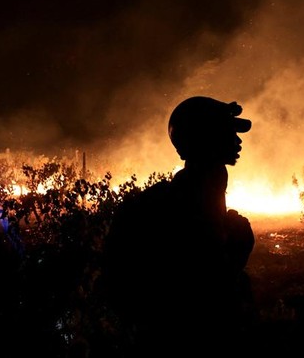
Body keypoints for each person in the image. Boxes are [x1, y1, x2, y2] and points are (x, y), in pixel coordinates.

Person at [101, 96, 256, 354]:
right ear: (206, 138)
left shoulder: (185, 197)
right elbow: (202, 289)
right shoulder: (188, 207)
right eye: (228, 132)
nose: (238, 141)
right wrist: (239, 248)